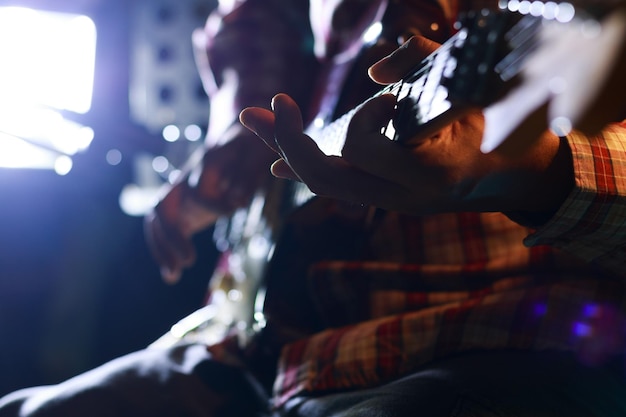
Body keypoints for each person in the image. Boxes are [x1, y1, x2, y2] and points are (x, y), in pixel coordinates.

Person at [2, 1, 626, 416]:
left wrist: (541, 178)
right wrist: (237, 124)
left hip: (488, 338)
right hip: (254, 338)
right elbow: (253, 17)